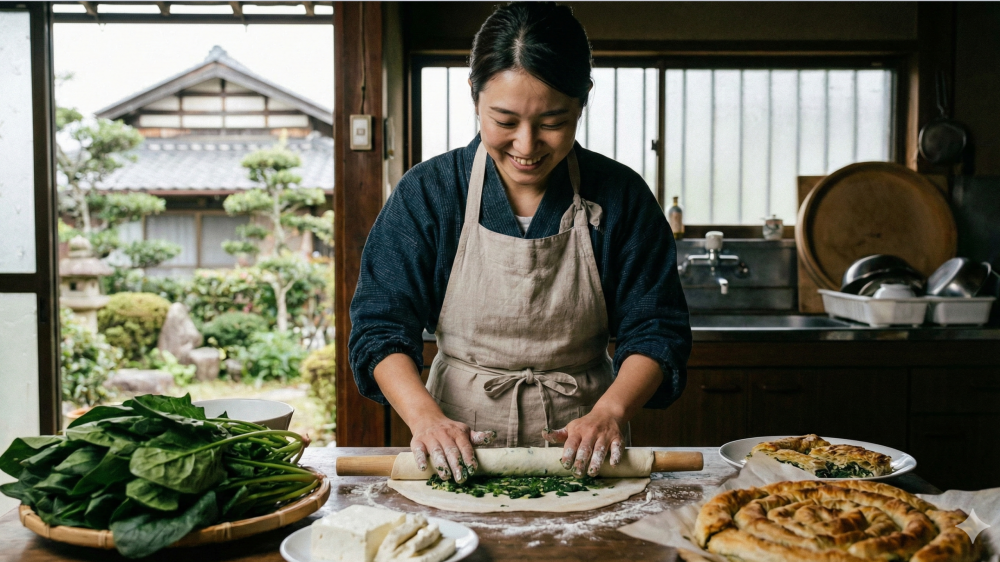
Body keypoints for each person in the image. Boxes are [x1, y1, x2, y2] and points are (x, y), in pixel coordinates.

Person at [349, 1, 691, 483]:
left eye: (552, 122)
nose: (527, 146)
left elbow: (656, 328)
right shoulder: (430, 193)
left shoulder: (620, 195)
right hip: (458, 448)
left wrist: (611, 411)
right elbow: (379, 327)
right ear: (474, 94)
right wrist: (426, 420)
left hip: (586, 448)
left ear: (582, 99)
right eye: (505, 121)